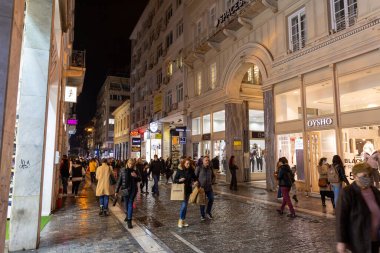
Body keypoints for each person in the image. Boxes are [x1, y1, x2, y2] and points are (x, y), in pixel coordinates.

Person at [336, 162, 380, 253]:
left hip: (375, 240)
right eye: (364, 176)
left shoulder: (374, 191)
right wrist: (341, 241)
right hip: (359, 242)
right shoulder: (347, 193)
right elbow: (341, 218)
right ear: (355, 176)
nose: (367, 178)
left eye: (369, 175)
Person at [115, 159, 141, 229]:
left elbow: (140, 179)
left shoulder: (135, 170)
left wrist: (136, 176)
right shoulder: (123, 170)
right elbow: (119, 181)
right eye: (129, 163)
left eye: (132, 164)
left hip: (133, 190)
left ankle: (129, 220)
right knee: (126, 204)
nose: (130, 165)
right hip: (125, 190)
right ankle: (127, 214)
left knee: (130, 204)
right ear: (127, 163)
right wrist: (116, 191)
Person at [174, 158, 196, 228]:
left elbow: (195, 178)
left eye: (189, 163)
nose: (188, 165)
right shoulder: (180, 170)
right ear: (183, 163)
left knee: (185, 205)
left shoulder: (191, 170)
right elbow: (175, 180)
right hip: (182, 190)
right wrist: (180, 180)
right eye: (187, 163)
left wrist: (195, 182)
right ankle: (180, 220)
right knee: (184, 205)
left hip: (188, 189)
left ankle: (183, 221)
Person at [195, 156, 215, 220]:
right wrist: (196, 183)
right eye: (206, 160)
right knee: (202, 202)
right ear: (203, 161)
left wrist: (212, 182)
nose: (207, 161)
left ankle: (208, 212)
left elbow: (213, 176)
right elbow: (195, 176)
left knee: (211, 198)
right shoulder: (199, 168)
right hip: (201, 188)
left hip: (209, 187)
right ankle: (202, 215)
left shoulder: (210, 168)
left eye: (208, 160)